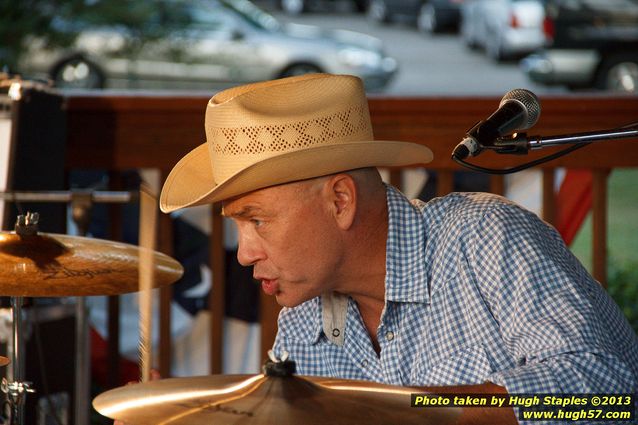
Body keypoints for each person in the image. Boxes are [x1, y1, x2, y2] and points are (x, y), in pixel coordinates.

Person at [159, 73, 638, 424]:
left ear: (340, 201)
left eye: (257, 220)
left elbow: (605, 396)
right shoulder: (303, 321)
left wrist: (425, 410)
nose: (244, 253)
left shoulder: (485, 236)